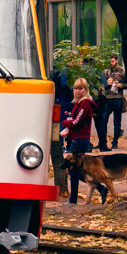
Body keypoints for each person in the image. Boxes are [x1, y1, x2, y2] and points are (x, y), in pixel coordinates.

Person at [60, 77, 108, 205]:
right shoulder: (77, 103)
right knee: (76, 170)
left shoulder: (85, 104)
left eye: (81, 88)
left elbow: (76, 122)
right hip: (75, 138)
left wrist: (65, 122)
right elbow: (74, 119)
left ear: (86, 90)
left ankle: (73, 200)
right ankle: (101, 188)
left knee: (74, 170)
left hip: (80, 139)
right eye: (76, 88)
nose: (78, 91)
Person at [50, 66, 75, 195]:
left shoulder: (58, 70)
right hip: (65, 101)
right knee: (62, 124)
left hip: (60, 100)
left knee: (59, 124)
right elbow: (66, 85)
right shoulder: (66, 71)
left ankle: (60, 142)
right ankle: (62, 142)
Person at [102, 55, 127, 149]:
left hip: (118, 98)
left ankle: (115, 141)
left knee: (117, 121)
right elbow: (101, 85)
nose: (111, 63)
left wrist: (120, 85)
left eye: (112, 61)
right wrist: (106, 84)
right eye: (110, 61)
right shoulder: (106, 72)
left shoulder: (122, 71)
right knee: (103, 120)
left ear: (117, 61)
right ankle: (103, 141)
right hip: (108, 98)